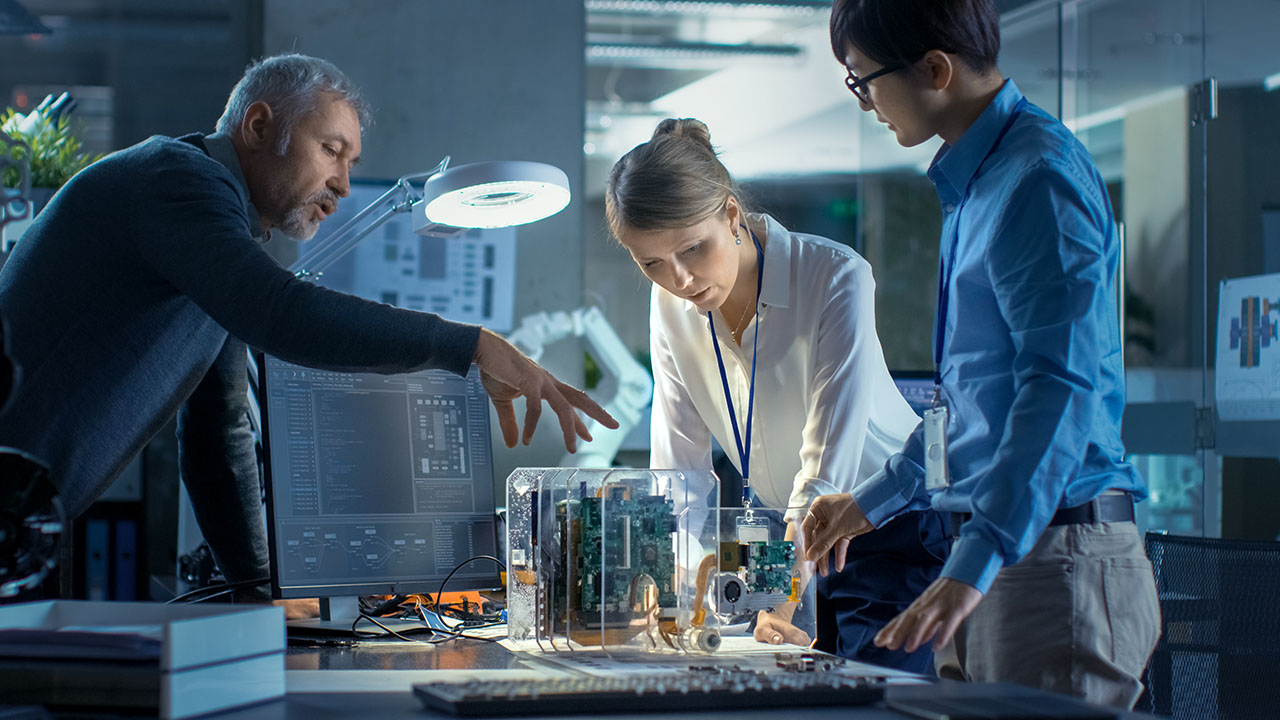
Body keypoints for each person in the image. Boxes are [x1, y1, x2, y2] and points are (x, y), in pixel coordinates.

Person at [0, 53, 616, 607]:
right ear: (260, 126)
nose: (344, 185)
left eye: (351, 162)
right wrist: (471, 345)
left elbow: (219, 433)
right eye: (331, 150)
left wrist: (258, 592)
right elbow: (278, 313)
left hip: (24, 515)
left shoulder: (214, 242)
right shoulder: (175, 180)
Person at [800, 0, 1160, 708]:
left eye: (862, 81)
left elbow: (1058, 388)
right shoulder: (977, 184)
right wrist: (870, 505)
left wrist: (976, 559)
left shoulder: (1038, 180)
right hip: (996, 556)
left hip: (1048, 563)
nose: (866, 103)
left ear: (935, 69)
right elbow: (966, 410)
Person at [606, 117, 949, 672]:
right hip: (779, 535)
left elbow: (824, 470)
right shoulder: (669, 305)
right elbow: (678, 471)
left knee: (875, 700)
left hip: (883, 522)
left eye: (694, 249)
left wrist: (786, 597)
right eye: (651, 263)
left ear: (731, 215)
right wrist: (667, 587)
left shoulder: (834, 275)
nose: (680, 280)